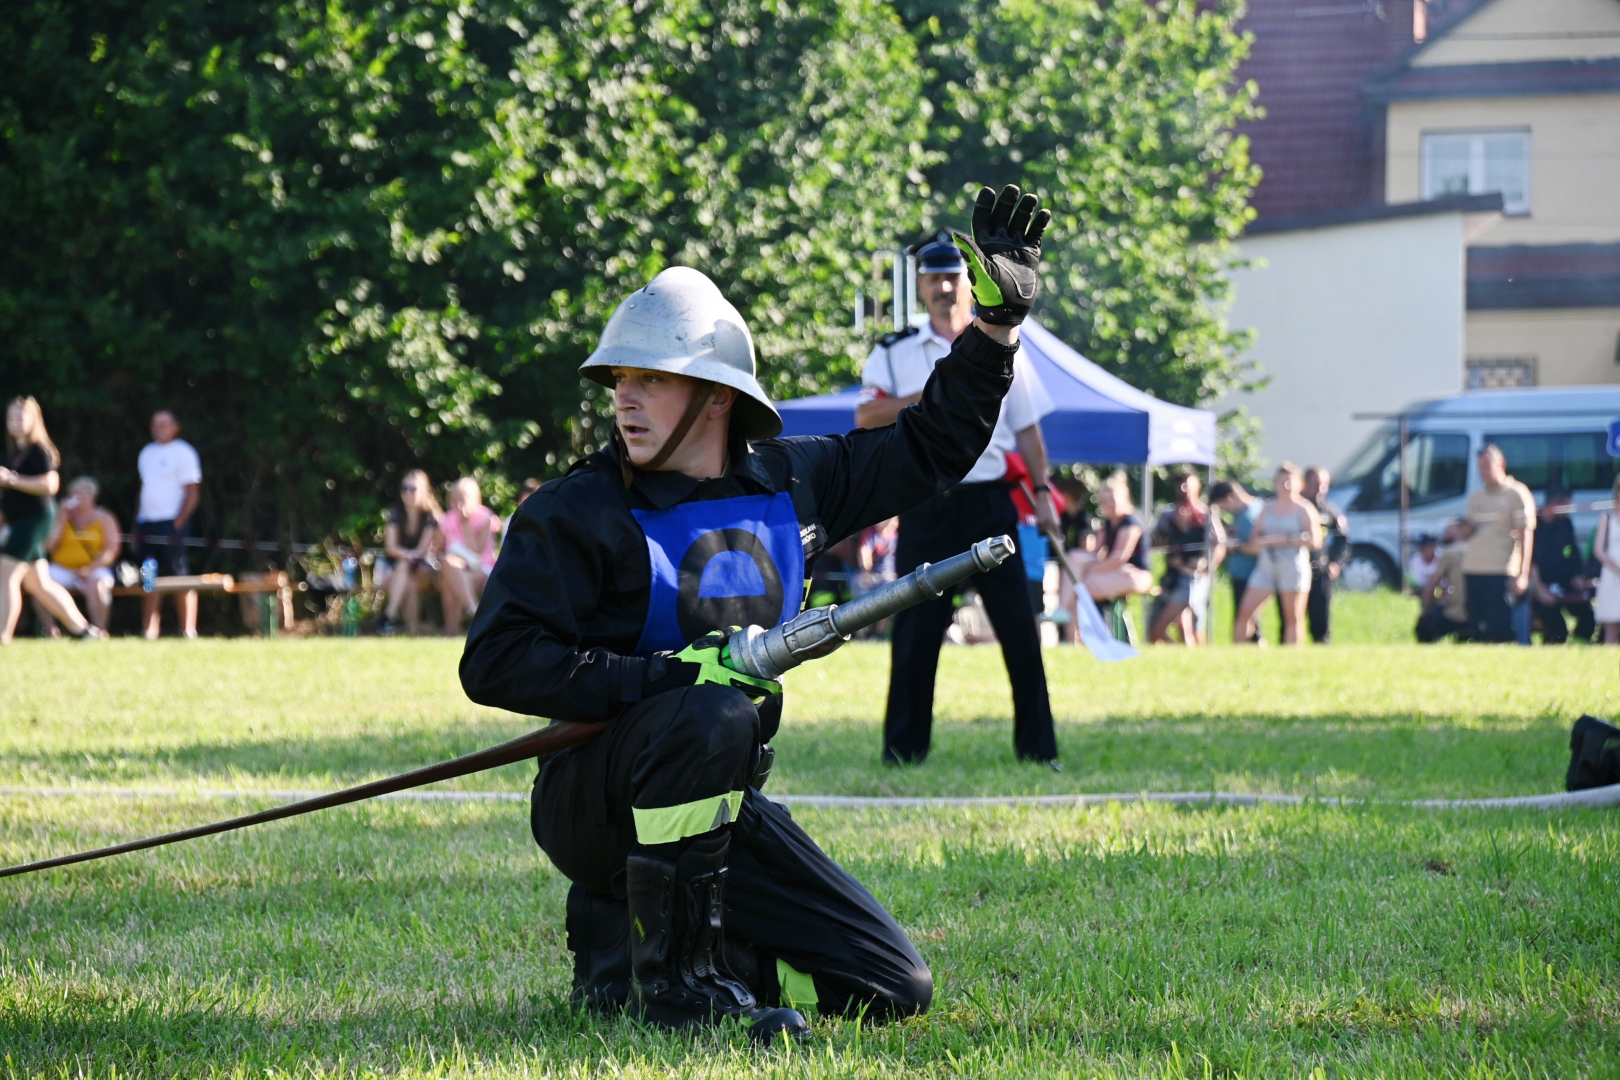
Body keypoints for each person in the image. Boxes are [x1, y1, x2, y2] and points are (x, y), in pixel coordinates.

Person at [460, 184, 1051, 1038]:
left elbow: (930, 447)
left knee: (893, 986)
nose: (625, 399)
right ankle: (681, 990)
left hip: (722, 797)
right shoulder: (575, 510)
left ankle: (637, 955)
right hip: (592, 801)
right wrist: (662, 677)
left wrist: (994, 331)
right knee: (711, 711)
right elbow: (496, 661)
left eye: (651, 380)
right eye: (620, 379)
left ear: (715, 396)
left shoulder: (795, 480)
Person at [856, 232, 1059, 767]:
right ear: (920, 286)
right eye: (934, 279)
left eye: (952, 278)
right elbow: (867, 416)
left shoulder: (1003, 342)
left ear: (968, 285)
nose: (944, 288)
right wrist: (936, 388)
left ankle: (1039, 752)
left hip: (990, 503)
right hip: (926, 504)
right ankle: (903, 753)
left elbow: (1029, 429)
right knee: (915, 634)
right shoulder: (895, 350)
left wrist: (1042, 493)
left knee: (1020, 630)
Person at [0, 397, 100, 643]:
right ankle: (84, 631)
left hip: (34, 520)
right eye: (11, 417)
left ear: (34, 419)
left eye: (21, 416)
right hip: (22, 520)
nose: (15, 421)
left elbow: (50, 484)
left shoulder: (39, 449)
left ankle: (3, 636)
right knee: (38, 583)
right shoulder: (18, 451)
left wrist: (11, 479)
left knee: (5, 575)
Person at [1234, 462, 1321, 646]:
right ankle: (1240, 649)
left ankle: (1292, 654)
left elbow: (1315, 541)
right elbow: (1254, 540)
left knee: (1292, 617)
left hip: (1293, 566)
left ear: (1299, 484)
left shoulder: (1304, 509)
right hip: (1266, 566)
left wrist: (1287, 539)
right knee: (1245, 612)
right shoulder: (1267, 509)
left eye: (1290, 481)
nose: (1286, 486)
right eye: (1282, 482)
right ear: (1275, 484)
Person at [135, 409, 202, 639]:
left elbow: (192, 492)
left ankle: (187, 629)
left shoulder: (184, 452)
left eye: (163, 424)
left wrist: (178, 523)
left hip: (172, 524)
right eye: (155, 424)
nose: (158, 428)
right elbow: (143, 489)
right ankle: (149, 630)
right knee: (148, 575)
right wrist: (137, 522)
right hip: (147, 523)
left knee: (178, 574)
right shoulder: (146, 452)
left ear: (175, 427)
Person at [1459, 444, 1535, 644]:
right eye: (1480, 466)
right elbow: (1468, 532)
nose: (1483, 470)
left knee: (1500, 630)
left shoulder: (1517, 493)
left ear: (1501, 464)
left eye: (1487, 464)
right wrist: (1459, 529)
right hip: (1473, 569)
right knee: (1478, 630)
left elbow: (1526, 534)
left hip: (1501, 571)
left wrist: (1523, 574)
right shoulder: (1476, 496)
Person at [1148, 471, 1224, 645]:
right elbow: (1155, 542)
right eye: (1180, 485)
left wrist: (1207, 566)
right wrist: (1175, 530)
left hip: (1194, 578)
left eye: (1188, 484)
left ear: (1198, 485)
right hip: (1174, 576)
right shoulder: (1168, 514)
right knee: (1178, 628)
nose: (1184, 489)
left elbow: (1219, 544)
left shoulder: (1206, 514)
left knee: (1191, 628)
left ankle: (1192, 656)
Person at [42, 476, 122, 633]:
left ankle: (99, 630)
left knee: (98, 587)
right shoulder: (60, 517)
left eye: (79, 495)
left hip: (94, 568)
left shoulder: (105, 518)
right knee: (41, 582)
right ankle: (51, 630)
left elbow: (111, 551)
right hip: (63, 568)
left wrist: (89, 569)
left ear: (92, 497)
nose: (74, 499)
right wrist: (61, 519)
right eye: (72, 494)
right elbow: (49, 546)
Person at [376, 469, 441, 636]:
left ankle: (388, 616)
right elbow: (391, 548)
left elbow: (421, 551)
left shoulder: (431, 516)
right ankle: (413, 631)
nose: (408, 493)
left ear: (424, 490)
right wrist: (406, 555)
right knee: (409, 583)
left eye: (413, 489)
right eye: (404, 488)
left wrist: (405, 555)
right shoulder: (395, 512)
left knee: (404, 568)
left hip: (424, 567)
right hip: (399, 567)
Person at [1529, 486, 1595, 644]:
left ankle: (1577, 651)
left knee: (1588, 617)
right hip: (1540, 586)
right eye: (1567, 504)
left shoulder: (1565, 523)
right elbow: (1531, 561)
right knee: (1558, 629)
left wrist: (1577, 576)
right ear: (1555, 504)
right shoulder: (1532, 526)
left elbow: (1573, 553)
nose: (1570, 509)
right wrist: (1540, 589)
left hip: (1564, 583)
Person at [1075, 472, 1152, 602]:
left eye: (1112, 500)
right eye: (1104, 502)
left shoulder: (1130, 523)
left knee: (1083, 585)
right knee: (1078, 579)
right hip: (1117, 572)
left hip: (1136, 575)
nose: (1108, 505)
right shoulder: (1108, 524)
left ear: (1124, 498)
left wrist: (1086, 569)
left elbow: (1118, 559)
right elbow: (1096, 553)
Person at [439, 477, 502, 635]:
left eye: (463, 498)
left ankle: (466, 618)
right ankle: (466, 616)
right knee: (448, 565)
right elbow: (439, 548)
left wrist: (465, 523)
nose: (459, 503)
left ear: (476, 498)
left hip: (483, 567)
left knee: (450, 583)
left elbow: (477, 550)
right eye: (455, 498)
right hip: (459, 569)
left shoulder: (485, 517)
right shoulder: (447, 519)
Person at [1211, 480, 1263, 643]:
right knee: (1250, 620)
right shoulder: (1255, 506)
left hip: (1248, 576)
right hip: (1247, 576)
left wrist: (1234, 546)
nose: (1224, 510)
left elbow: (1257, 548)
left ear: (1231, 497)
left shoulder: (1248, 516)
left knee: (1245, 620)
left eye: (1222, 505)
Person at [1301, 466, 1348, 644]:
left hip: (1319, 570)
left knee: (1320, 616)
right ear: (1305, 484)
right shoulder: (1296, 507)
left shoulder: (1329, 510)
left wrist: (1336, 562)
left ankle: (1322, 646)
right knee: (1292, 616)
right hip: (1295, 568)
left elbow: (1342, 539)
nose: (1319, 489)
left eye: (1324, 485)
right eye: (1315, 484)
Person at [1416, 519, 1470, 643]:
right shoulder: (1477, 550)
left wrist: (1425, 610)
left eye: (1449, 529)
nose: (1445, 532)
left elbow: (1431, 586)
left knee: (1424, 627)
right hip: (1477, 612)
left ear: (1459, 530)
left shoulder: (1449, 553)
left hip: (1456, 614)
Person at [1592, 474, 1620, 645]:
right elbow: (1598, 550)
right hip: (1611, 575)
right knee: (1612, 627)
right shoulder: (1607, 517)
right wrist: (1617, 568)